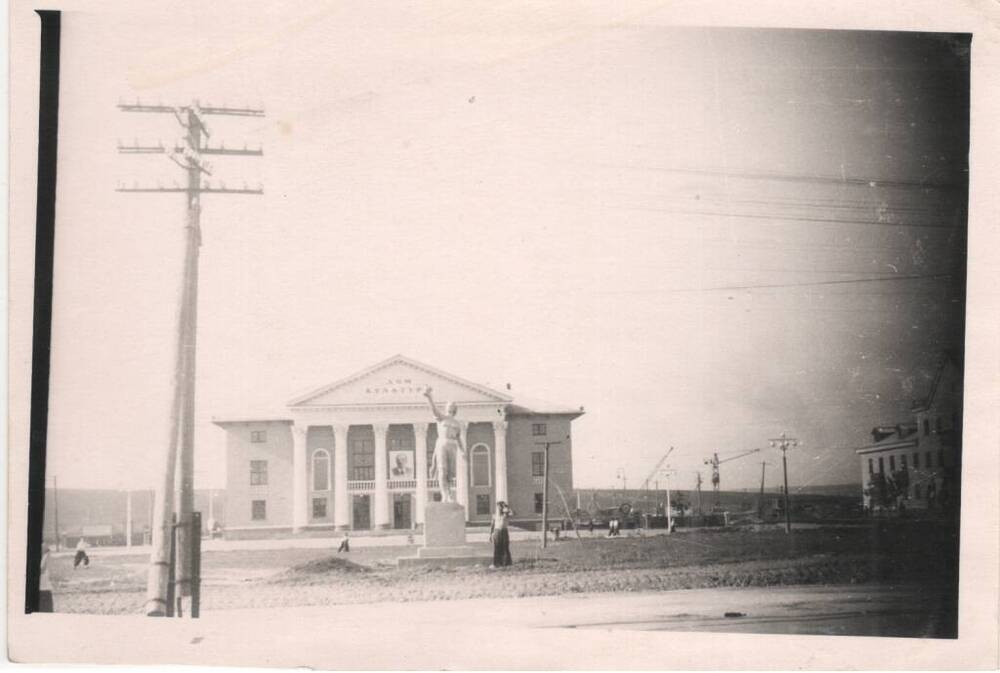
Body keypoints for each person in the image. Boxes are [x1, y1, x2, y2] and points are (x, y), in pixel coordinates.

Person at [423, 387, 466, 503]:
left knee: (450, 473)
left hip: (453, 446)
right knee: (443, 470)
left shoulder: (457, 423)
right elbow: (434, 410)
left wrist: (463, 451)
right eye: (449, 406)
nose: (451, 407)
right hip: (442, 443)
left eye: (453, 406)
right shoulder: (441, 418)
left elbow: (458, 438)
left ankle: (450, 494)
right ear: (446, 408)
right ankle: (444, 495)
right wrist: (429, 397)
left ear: (455, 409)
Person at [489, 501, 514, 568]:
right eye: (498, 507)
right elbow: (492, 525)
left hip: (504, 531)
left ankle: (507, 563)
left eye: (500, 507)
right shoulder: (494, 516)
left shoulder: (506, 515)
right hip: (497, 531)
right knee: (497, 547)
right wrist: (490, 535)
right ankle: (496, 563)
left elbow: (513, 513)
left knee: (505, 547)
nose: (499, 508)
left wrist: (507, 507)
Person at [38, 545, 54, 612]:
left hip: (45, 590)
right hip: (43, 591)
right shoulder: (45, 560)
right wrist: (47, 555)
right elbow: (42, 570)